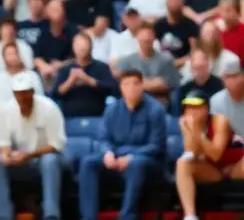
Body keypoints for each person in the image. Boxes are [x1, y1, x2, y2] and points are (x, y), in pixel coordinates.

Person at [78, 70, 166, 220]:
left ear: (142, 86)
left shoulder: (156, 109)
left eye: (135, 83)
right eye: (126, 84)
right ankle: (88, 217)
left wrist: (130, 156)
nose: (131, 88)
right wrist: (107, 153)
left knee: (136, 163)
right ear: (121, 88)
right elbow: (103, 137)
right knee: (88, 162)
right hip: (117, 157)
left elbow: (155, 146)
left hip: (149, 162)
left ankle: (127, 216)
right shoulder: (112, 109)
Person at [0, 72, 66, 220]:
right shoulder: (6, 111)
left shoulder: (49, 108)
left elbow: (57, 144)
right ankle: (2, 215)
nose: (22, 98)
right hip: (19, 159)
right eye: (18, 94)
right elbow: (2, 143)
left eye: (25, 93)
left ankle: (51, 214)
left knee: (49, 160)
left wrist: (30, 155)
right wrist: (6, 155)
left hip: (45, 158)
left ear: (32, 92)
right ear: (13, 94)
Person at [174, 89, 244, 220]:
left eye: (197, 107)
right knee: (182, 163)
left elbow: (215, 154)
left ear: (206, 109)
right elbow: (191, 154)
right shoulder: (185, 123)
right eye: (189, 107)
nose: (192, 111)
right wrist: (190, 131)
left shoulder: (220, 120)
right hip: (213, 170)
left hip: (235, 165)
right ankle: (190, 216)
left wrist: (199, 133)